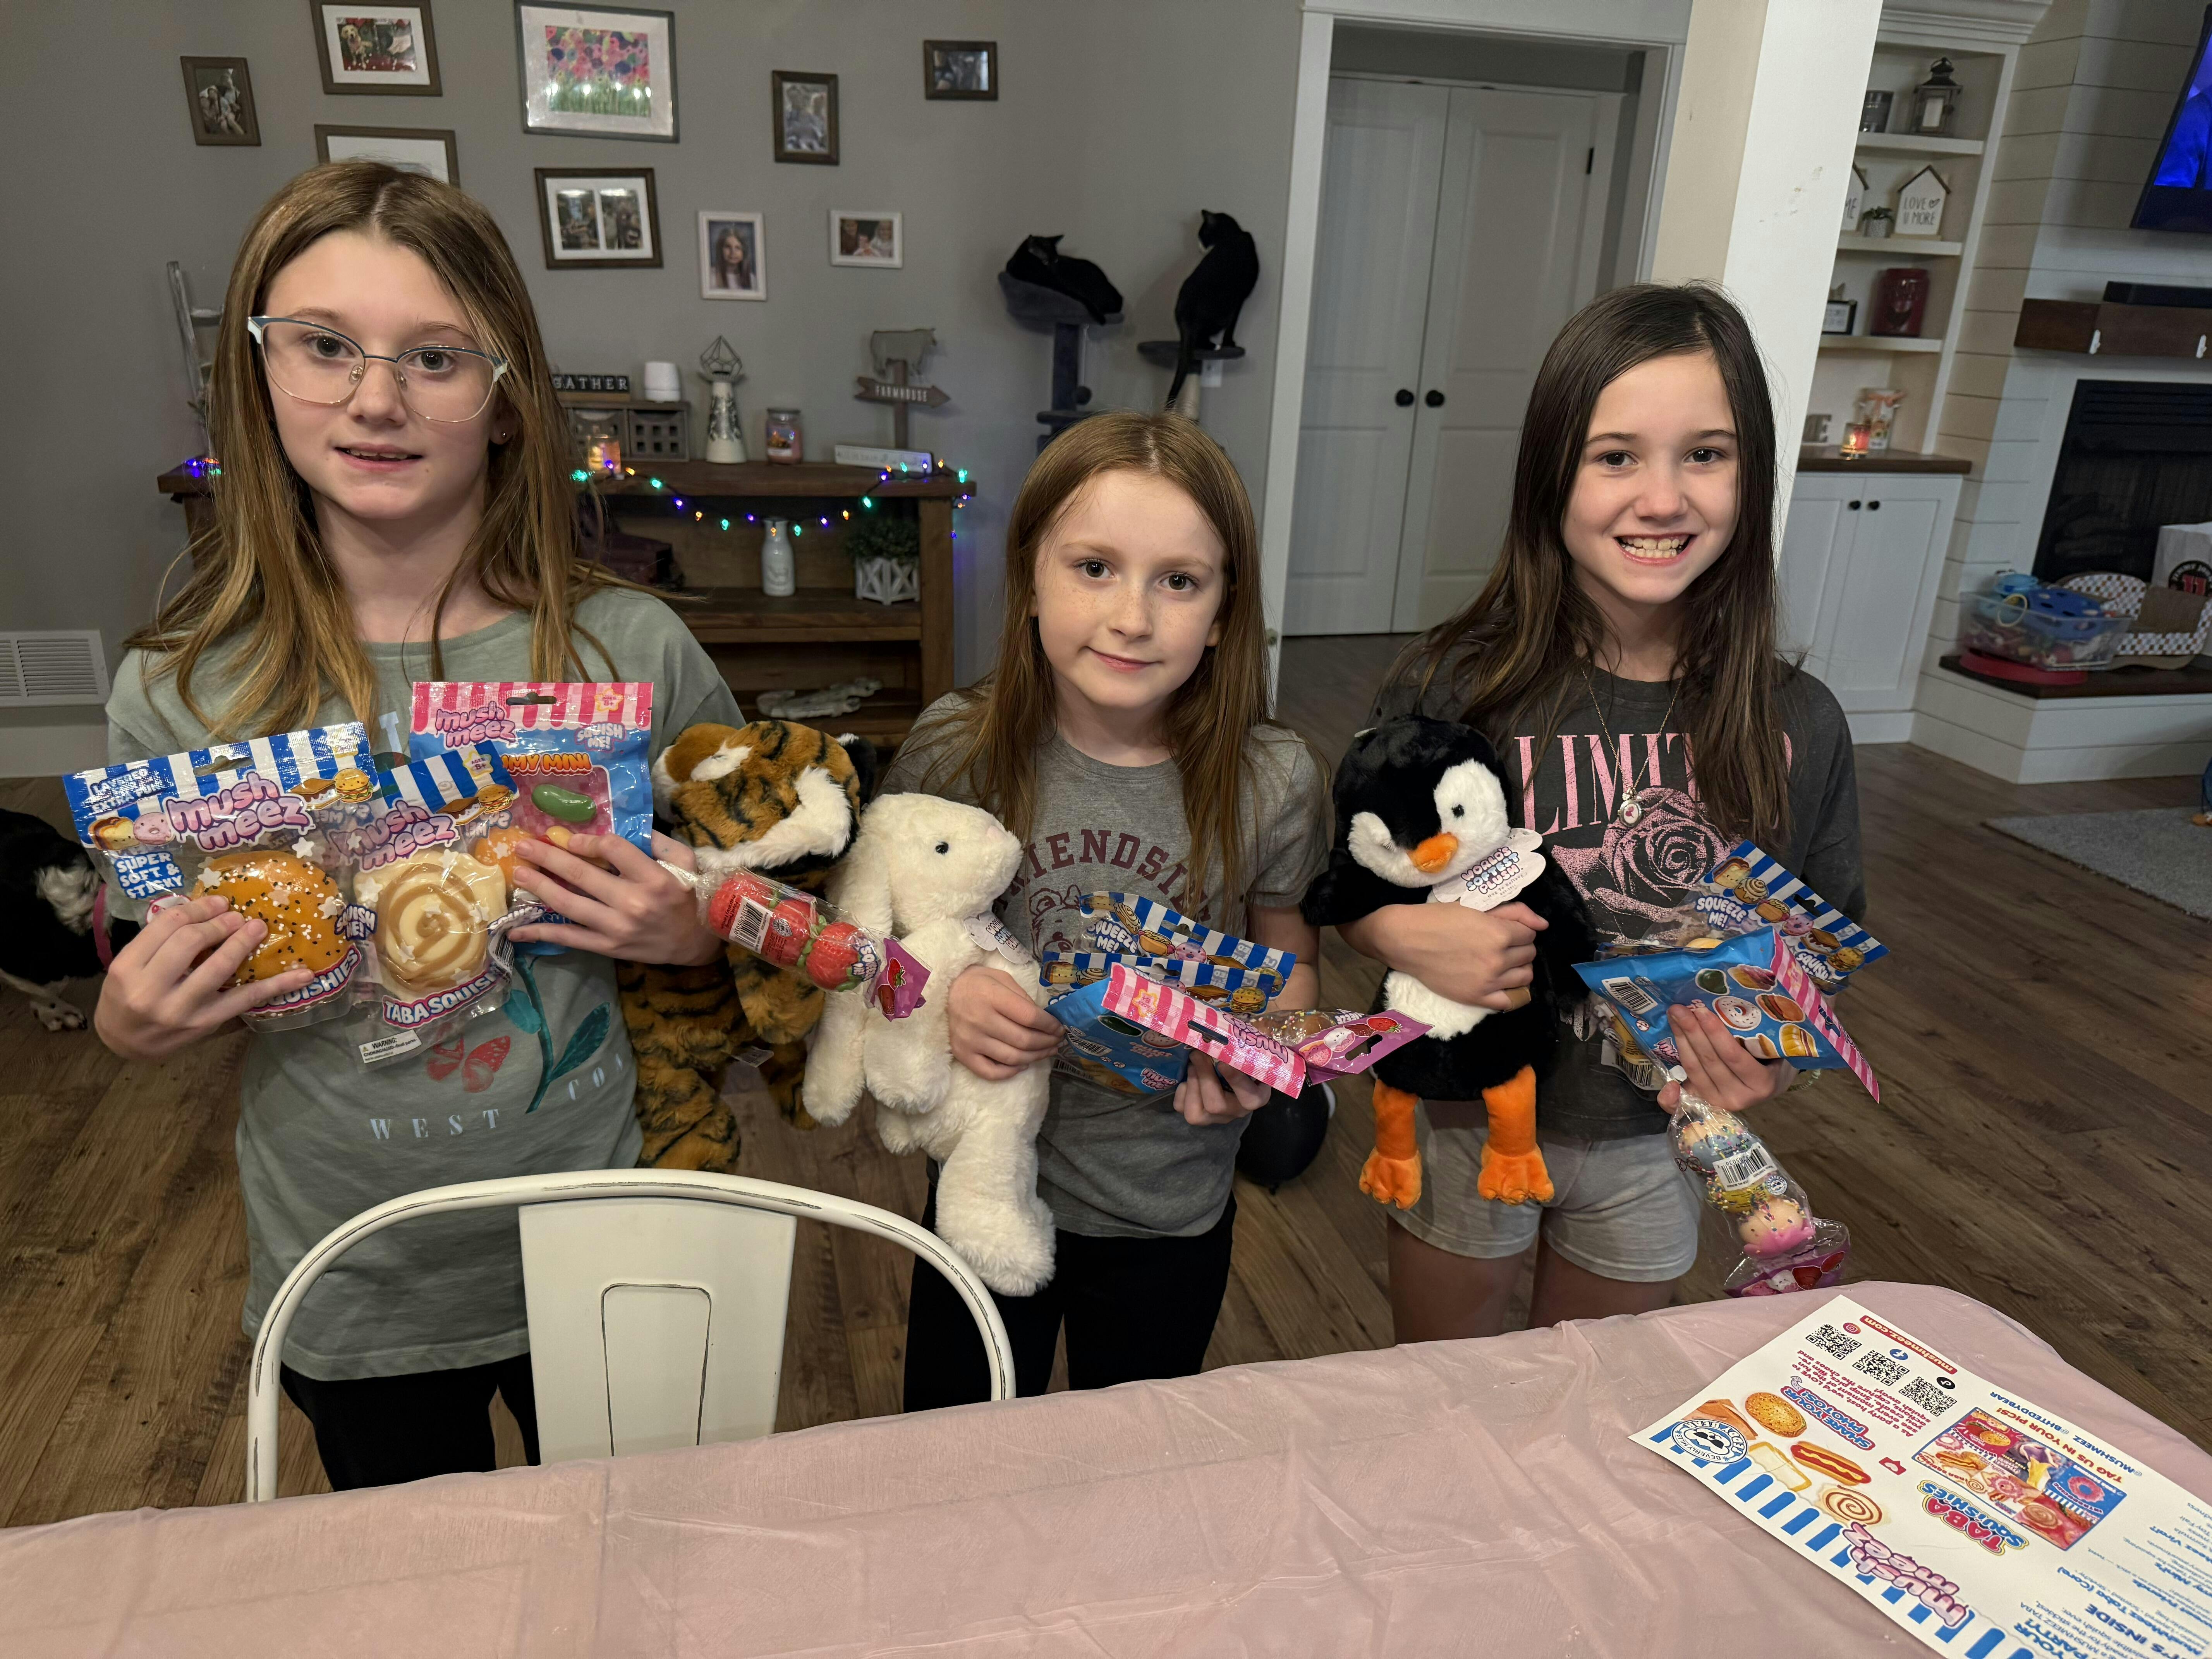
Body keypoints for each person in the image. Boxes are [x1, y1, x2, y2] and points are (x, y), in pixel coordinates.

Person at [93, 161, 742, 1490]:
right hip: (355, 1267)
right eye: (325, 345)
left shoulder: (632, 647)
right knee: (420, 1579)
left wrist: (699, 927)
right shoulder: (176, 693)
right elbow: (141, 951)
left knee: (639, 1554)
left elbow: (768, 894)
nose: (377, 398)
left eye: (435, 357)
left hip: (610, 1230)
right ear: (257, 374)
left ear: (507, 401)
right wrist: (129, 1019)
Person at [1340, 282, 1864, 1343]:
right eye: (1616, 456)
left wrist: (1774, 1054)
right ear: (1552, 474)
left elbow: (1820, 946)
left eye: (1705, 454)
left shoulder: (1798, 720)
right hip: (1470, 1114)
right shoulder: (1451, 688)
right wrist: (1393, 931)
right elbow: (1353, 887)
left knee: (1594, 1402)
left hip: (1660, 1141)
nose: (1661, 498)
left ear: (1754, 474)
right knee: (1443, 1391)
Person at [883, 411, 1329, 1406]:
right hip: (984, 1180)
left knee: (1136, 1453)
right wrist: (944, 994)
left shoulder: (1273, 778)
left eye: (1179, 581)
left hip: (1170, 1197)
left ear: (1224, 611)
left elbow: (1291, 961)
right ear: (1030, 579)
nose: (1133, 617)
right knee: (956, 1448)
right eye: (1094, 568)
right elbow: (883, 945)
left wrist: (1263, 1050)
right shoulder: (954, 751)